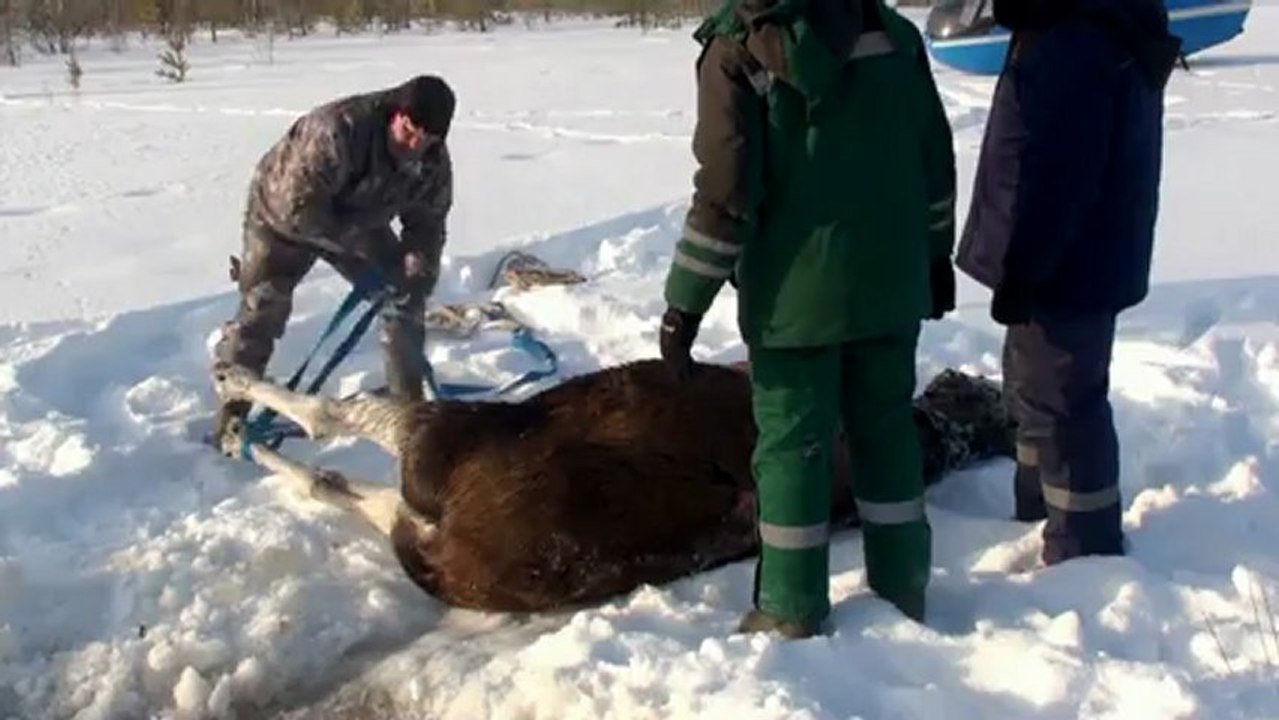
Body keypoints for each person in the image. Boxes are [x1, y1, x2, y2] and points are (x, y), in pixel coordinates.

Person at [658, 0, 957, 637]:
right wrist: (935, 254)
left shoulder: (735, 48)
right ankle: (903, 588)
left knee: (794, 446)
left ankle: (790, 607)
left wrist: (686, 300)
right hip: (890, 282)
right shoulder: (892, 33)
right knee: (886, 433)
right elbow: (933, 155)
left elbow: (726, 193)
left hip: (795, 298)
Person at [955, 0, 1180, 565]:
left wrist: (1024, 268)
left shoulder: (1073, 40)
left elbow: (1056, 175)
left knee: (1063, 403)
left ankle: (1085, 546)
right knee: (1036, 390)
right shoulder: (1080, 25)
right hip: (1080, 254)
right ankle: (1037, 507)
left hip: (1066, 262)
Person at [211, 75, 457, 442]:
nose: (416, 142)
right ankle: (233, 410)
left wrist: (418, 271)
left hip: (359, 218)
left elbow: (428, 224)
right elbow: (299, 207)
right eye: (409, 130)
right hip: (280, 216)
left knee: (402, 296)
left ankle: (409, 409)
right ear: (396, 114)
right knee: (263, 307)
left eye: (428, 138)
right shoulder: (338, 129)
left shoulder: (432, 163)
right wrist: (353, 243)